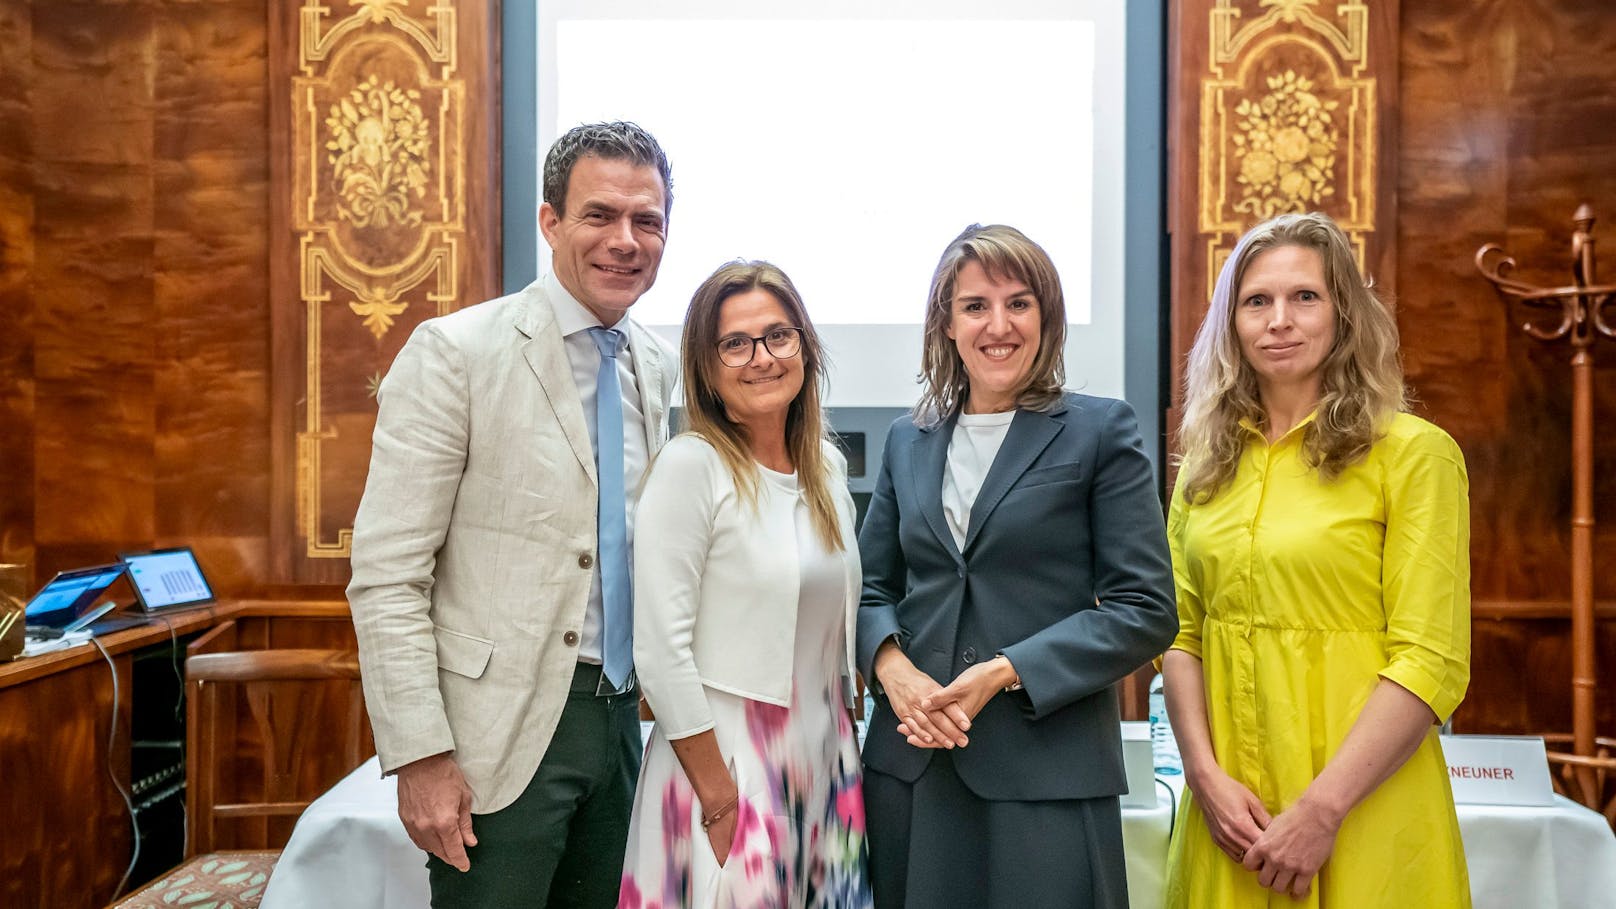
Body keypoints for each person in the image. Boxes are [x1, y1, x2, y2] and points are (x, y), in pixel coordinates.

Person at [347, 121, 679, 908]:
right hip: (497, 740)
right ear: (550, 221)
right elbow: (387, 577)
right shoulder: (454, 353)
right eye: (599, 214)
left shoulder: (660, 367)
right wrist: (420, 756)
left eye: (648, 220)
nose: (625, 240)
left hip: (625, 725)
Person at [857, 224, 1178, 909]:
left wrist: (1004, 671)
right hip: (913, 767)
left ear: (1048, 317)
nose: (997, 325)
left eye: (1019, 303)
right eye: (975, 305)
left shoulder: (1101, 430)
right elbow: (871, 587)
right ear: (946, 322)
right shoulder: (905, 440)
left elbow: (1145, 610)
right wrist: (893, 668)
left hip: (1047, 771)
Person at [1163, 211, 1471, 907]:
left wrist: (1322, 810)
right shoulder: (1205, 465)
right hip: (1231, 815)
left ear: (1344, 315)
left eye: (1305, 296)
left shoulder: (1414, 454)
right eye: (1256, 301)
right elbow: (1179, 633)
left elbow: (1431, 658)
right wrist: (1204, 777)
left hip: (1360, 807)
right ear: (1231, 323)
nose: (1279, 319)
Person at [617, 261, 873, 909]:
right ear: (706, 366)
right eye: (735, 342)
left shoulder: (826, 467)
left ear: (805, 348)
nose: (761, 357)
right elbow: (659, 652)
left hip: (825, 763)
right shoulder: (689, 467)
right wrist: (718, 796)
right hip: (729, 769)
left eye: (778, 335)